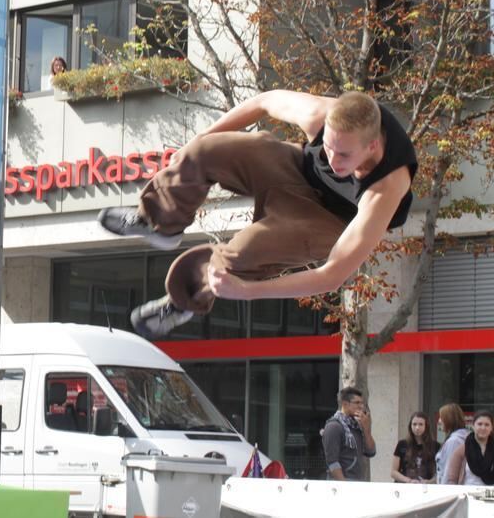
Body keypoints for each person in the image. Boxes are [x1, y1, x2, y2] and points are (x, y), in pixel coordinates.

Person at [99, 90, 417, 337]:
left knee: (240, 254)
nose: (333, 160)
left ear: (373, 146)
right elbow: (264, 101)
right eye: (329, 147)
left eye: (345, 155)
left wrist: (249, 292)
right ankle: (160, 222)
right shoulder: (320, 114)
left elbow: (332, 275)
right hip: (295, 170)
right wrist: (198, 140)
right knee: (203, 151)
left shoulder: (385, 188)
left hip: (327, 220)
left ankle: (184, 301)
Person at [322, 387, 376, 481]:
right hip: (341, 485)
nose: (361, 406)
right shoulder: (334, 426)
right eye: (357, 403)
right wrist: (344, 486)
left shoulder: (357, 426)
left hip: (358, 481)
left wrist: (366, 429)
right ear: (345, 404)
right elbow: (332, 462)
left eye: (362, 403)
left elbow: (371, 452)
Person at [446, 410, 494, 486]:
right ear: (473, 426)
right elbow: (452, 480)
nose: (483, 427)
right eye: (479, 424)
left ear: (491, 427)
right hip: (467, 494)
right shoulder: (462, 450)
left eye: (487, 425)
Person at [391, 411, 436, 483]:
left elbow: (441, 472)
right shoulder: (402, 444)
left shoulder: (435, 446)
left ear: (426, 426)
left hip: (427, 488)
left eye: (421, 424)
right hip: (405, 488)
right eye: (414, 424)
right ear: (410, 426)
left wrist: (430, 481)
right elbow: (393, 472)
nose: (417, 428)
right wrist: (409, 481)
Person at [436, 403, 470, 484]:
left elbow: (449, 470)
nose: (439, 421)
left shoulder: (454, 441)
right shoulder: (461, 437)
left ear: (449, 419)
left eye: (441, 417)